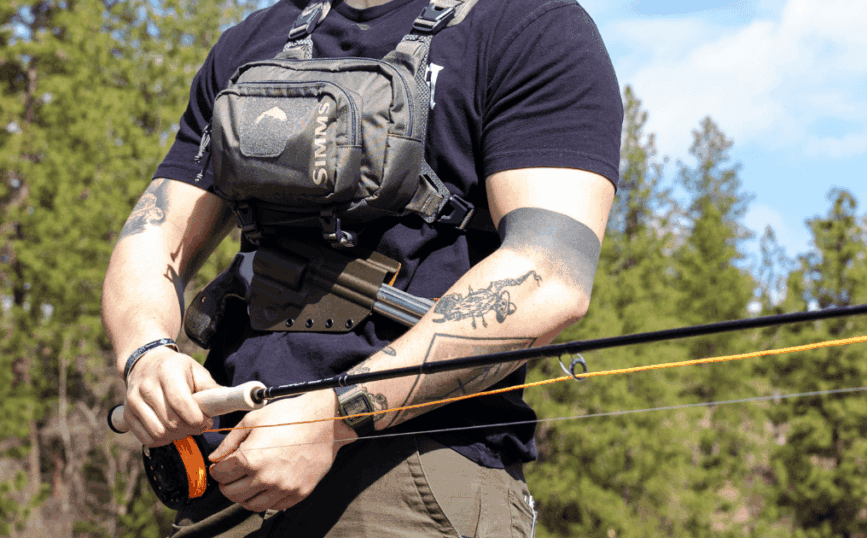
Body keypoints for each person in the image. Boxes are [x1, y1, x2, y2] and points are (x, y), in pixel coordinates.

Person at [101, 0, 621, 535]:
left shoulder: (532, 27)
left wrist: (333, 418)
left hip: (415, 474)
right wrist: (146, 354)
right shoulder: (252, 41)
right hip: (232, 473)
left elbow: (550, 274)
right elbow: (154, 235)